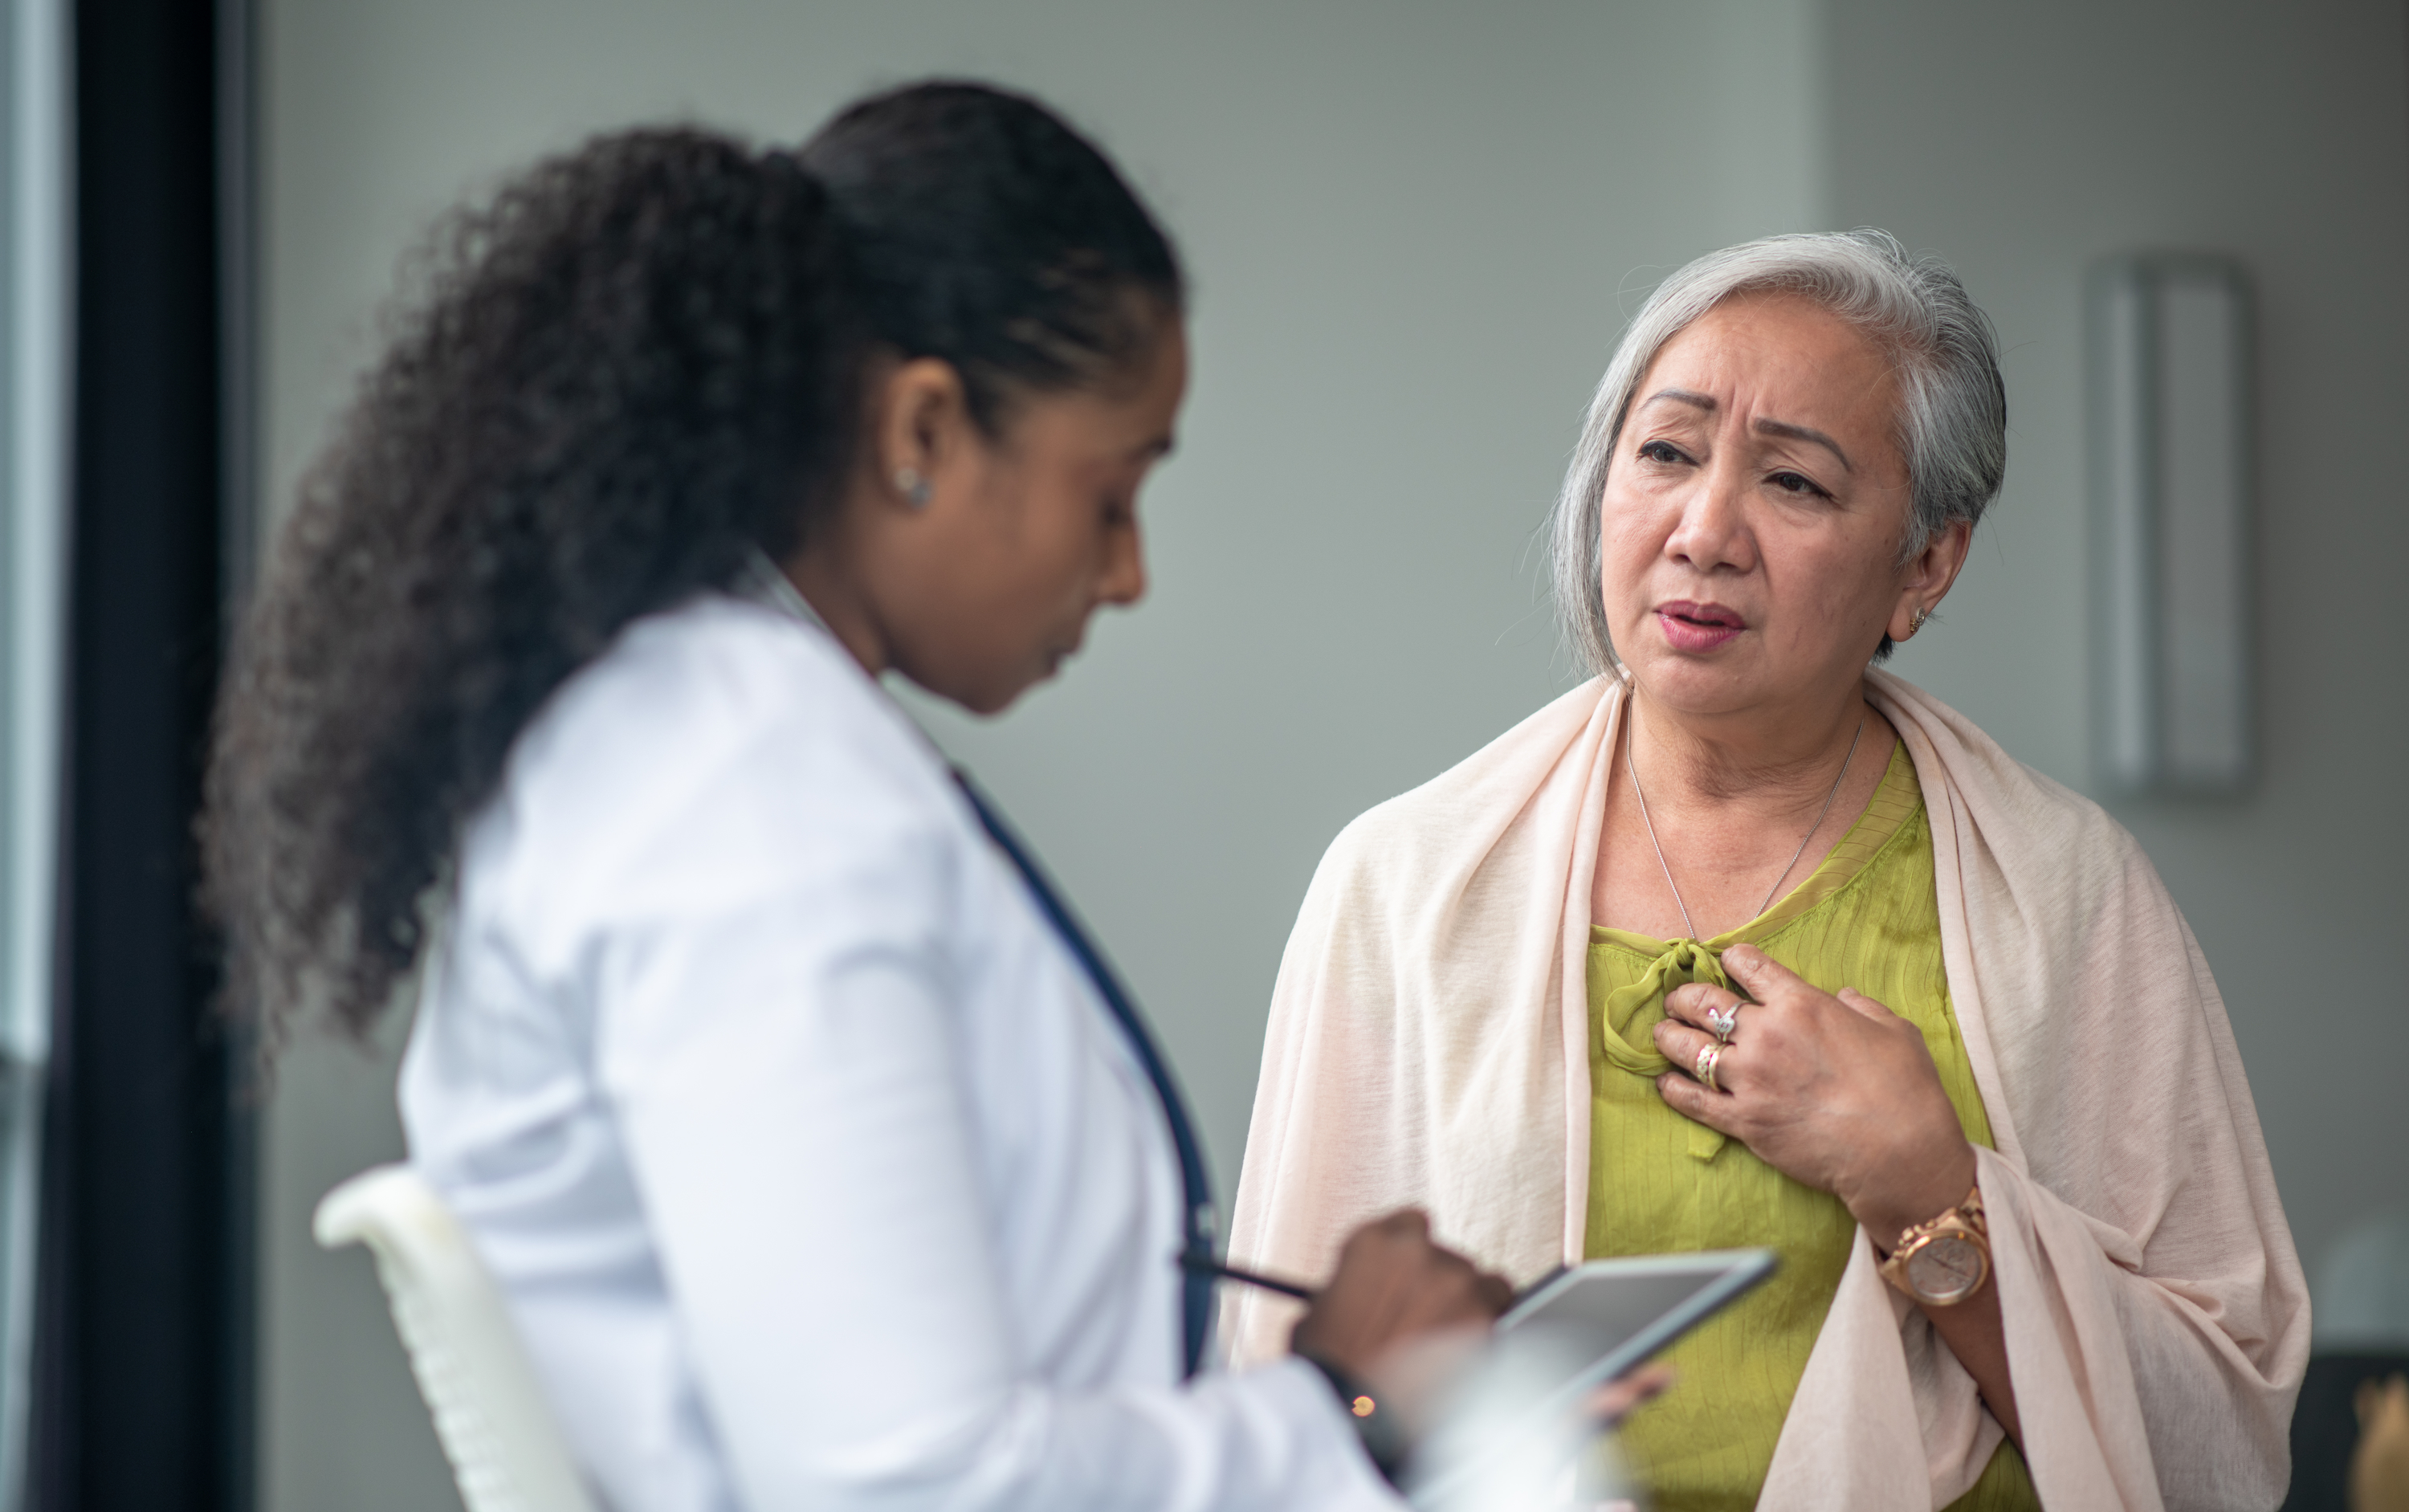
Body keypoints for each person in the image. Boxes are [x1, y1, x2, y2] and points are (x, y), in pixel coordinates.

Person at [201, 82, 1527, 1511]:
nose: (1130, 571)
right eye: (1112, 492)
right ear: (923, 431)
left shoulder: (708, 738)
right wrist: (1337, 1402)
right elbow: (905, 1489)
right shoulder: (751, 798)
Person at [1224, 230, 2309, 1510]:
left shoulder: (2069, 892)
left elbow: (2221, 1448)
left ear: (1926, 566)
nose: (1704, 531)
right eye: (1667, 453)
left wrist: (1930, 1190)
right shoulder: (1403, 886)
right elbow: (1276, 1405)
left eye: (1793, 483)